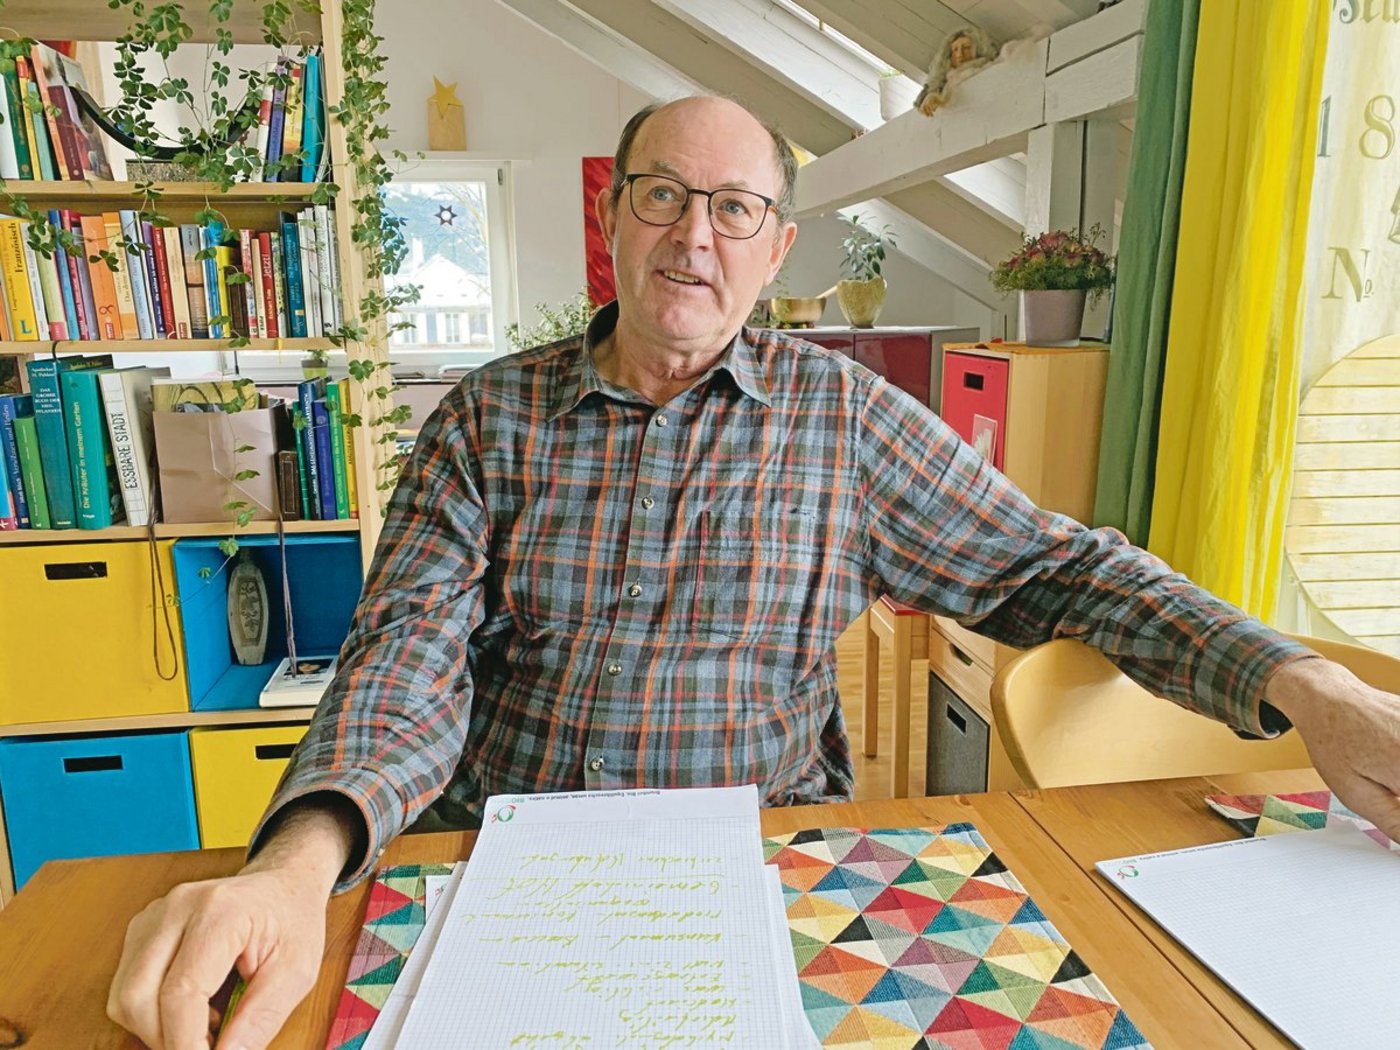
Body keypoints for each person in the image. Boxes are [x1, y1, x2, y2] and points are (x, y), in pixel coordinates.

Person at [107, 94, 1400, 1050]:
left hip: (764, 876)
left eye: (735, 208)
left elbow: (1063, 570)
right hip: (505, 867)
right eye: (664, 193)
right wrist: (294, 859)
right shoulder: (487, 418)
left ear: (776, 248)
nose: (696, 235)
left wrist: (1311, 688)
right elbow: (407, 658)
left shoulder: (844, 421)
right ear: (615, 215)